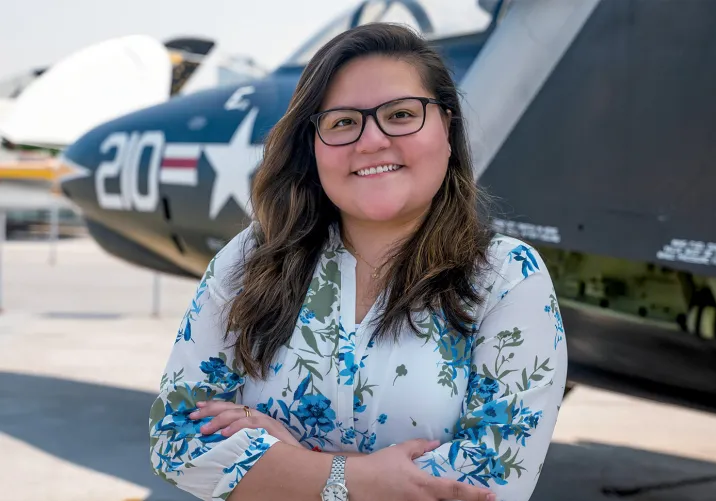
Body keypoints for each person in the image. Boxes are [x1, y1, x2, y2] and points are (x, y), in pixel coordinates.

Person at [149, 22, 567, 501]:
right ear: (314, 144)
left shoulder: (506, 277)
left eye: (402, 114)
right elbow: (175, 440)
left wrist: (292, 467)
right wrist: (358, 480)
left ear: (446, 128)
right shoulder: (252, 261)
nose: (371, 142)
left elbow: (493, 482)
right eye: (343, 121)